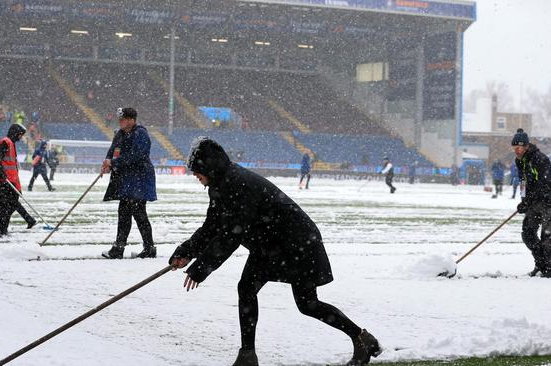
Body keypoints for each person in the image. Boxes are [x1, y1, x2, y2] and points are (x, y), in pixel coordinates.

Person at [169, 138, 381, 366]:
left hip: (296, 243)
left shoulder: (238, 184)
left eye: (197, 170)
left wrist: (201, 268)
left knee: (304, 303)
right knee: (255, 290)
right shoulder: (221, 185)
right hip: (271, 245)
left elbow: (232, 234)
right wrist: (187, 251)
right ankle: (248, 355)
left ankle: (360, 338)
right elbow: (212, 226)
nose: (195, 175)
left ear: (210, 167)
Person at [101, 108, 157, 259]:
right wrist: (107, 162)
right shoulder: (120, 133)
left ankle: (149, 248)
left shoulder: (140, 133)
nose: (120, 122)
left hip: (140, 178)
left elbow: (137, 156)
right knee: (124, 213)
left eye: (123, 119)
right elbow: (113, 150)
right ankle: (119, 248)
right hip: (126, 179)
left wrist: (114, 162)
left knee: (139, 213)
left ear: (132, 119)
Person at [512, 129, 551, 278]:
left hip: (548, 202)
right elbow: (523, 182)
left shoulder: (540, 159)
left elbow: (545, 182)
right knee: (528, 233)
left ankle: (549, 269)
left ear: (527, 146)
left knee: (547, 237)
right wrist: (523, 201)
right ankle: (541, 264)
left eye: (519, 147)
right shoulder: (519, 160)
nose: (516, 150)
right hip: (533, 203)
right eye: (514, 147)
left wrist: (532, 197)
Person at [0, 123, 33, 237]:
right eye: (20, 135)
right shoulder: (6, 142)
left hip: (12, 179)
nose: (20, 137)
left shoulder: (11, 143)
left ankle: (1, 226)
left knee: (9, 203)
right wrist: (0, 170)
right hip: (6, 179)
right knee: (5, 203)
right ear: (15, 133)